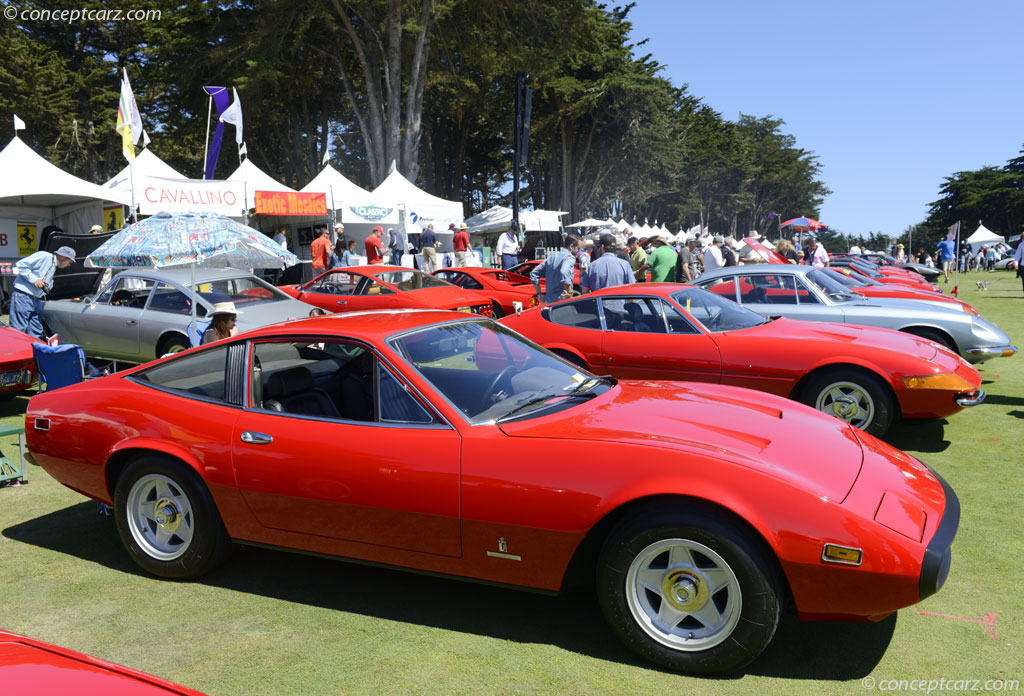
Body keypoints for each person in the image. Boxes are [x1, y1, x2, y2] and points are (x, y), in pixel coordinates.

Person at [11, 245, 75, 339]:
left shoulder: (53, 266)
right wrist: (34, 280)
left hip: (35, 299)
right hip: (23, 296)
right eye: (70, 261)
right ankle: (15, 352)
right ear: (63, 257)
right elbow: (21, 264)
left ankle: (35, 352)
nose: (69, 265)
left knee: (36, 330)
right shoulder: (44, 256)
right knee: (18, 329)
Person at [530, 234, 580, 304]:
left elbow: (534, 273)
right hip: (562, 301)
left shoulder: (552, 257)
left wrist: (539, 293)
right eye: (578, 248)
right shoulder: (570, 257)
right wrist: (569, 292)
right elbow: (564, 272)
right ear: (571, 246)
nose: (578, 251)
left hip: (549, 301)